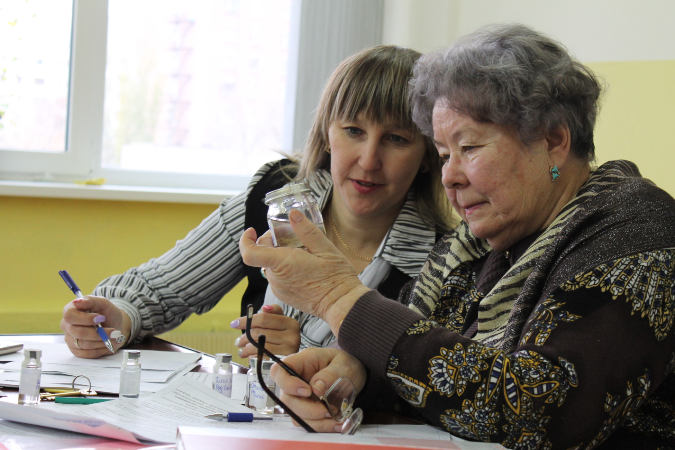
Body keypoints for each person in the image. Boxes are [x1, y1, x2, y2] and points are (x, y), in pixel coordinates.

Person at [240, 24, 675, 449]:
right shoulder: (470, 247)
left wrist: (338, 298)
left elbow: (539, 413)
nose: (450, 176)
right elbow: (425, 368)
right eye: (444, 154)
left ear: (553, 140)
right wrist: (354, 376)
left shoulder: (639, 230)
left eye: (469, 148)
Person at [60, 45, 454, 359]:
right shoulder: (275, 195)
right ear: (327, 135)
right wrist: (118, 316)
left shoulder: (446, 263)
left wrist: (301, 356)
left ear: (428, 155)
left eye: (396, 139)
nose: (368, 161)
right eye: (353, 131)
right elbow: (159, 289)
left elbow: (418, 392)